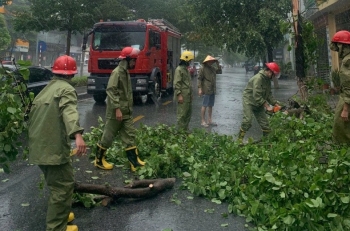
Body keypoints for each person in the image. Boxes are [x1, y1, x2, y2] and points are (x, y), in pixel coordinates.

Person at [28, 55, 87, 231]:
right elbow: (69, 111)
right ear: (72, 74)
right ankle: (56, 227)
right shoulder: (66, 89)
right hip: (52, 150)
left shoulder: (46, 89)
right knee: (63, 187)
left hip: (38, 148)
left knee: (57, 185)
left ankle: (61, 215)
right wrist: (77, 134)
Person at [94, 46, 145, 172]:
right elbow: (111, 90)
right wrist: (117, 108)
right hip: (116, 112)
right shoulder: (117, 72)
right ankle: (99, 160)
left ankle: (134, 161)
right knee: (108, 136)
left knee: (130, 135)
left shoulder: (125, 72)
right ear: (127, 59)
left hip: (126, 112)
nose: (135, 62)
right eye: (133, 60)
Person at [238, 62, 281, 141]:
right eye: (273, 75)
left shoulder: (267, 80)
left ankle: (266, 142)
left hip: (259, 102)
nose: (273, 77)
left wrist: (275, 103)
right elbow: (257, 95)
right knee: (247, 121)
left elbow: (268, 94)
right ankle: (239, 140)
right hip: (249, 100)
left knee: (265, 124)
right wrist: (267, 106)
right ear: (269, 71)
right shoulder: (258, 79)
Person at [329, 30, 350, 143]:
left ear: (343, 46)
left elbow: (348, 86)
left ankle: (343, 151)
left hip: (347, 98)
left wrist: (345, 109)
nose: (337, 50)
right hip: (346, 96)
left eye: (338, 46)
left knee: (340, 123)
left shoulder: (348, 61)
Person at [174, 50, 194, 131]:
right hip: (183, 96)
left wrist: (191, 94)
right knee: (182, 115)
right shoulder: (179, 70)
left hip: (188, 96)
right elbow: (176, 83)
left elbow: (188, 83)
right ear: (186, 60)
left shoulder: (186, 69)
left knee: (188, 114)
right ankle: (180, 133)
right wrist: (179, 95)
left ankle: (185, 130)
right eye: (190, 60)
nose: (190, 62)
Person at [197, 55, 219, 127]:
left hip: (212, 88)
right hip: (206, 88)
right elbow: (199, 79)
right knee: (204, 105)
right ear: (206, 61)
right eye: (210, 61)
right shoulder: (202, 68)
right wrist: (200, 89)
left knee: (210, 105)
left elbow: (219, 71)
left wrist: (217, 64)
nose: (211, 62)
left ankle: (209, 120)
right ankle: (202, 121)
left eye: (212, 61)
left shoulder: (212, 68)